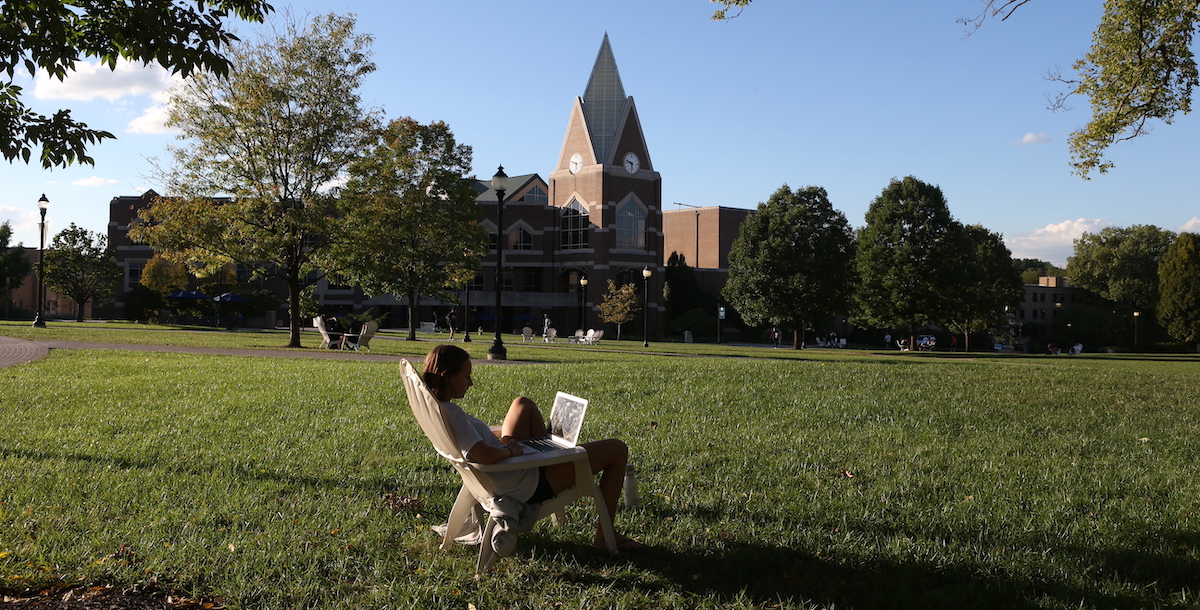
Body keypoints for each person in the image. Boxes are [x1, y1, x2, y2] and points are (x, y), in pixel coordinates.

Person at [421, 344, 643, 551]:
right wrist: (510, 451)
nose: (470, 382)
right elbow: (484, 455)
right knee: (617, 449)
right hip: (523, 485)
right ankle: (605, 537)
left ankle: (551, 451)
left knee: (522, 404)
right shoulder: (453, 415)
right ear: (447, 376)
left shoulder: (441, 410)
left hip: (505, 474)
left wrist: (507, 446)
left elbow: (480, 449)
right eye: (466, 375)